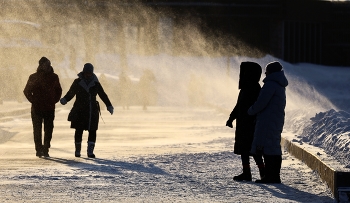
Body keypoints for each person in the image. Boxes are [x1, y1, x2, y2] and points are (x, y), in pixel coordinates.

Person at [59, 63, 113, 158]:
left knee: (92, 130)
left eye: (90, 73)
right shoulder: (77, 82)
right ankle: (78, 150)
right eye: (86, 73)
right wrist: (65, 99)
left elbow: (102, 95)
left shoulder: (96, 83)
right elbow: (71, 93)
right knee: (78, 130)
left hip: (92, 110)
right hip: (79, 109)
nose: (88, 74)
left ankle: (90, 151)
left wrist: (109, 105)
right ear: (83, 72)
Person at [248, 61, 288, 184]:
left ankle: (270, 177)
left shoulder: (270, 84)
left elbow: (261, 102)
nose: (265, 74)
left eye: (266, 71)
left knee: (267, 149)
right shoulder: (280, 84)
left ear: (270, 72)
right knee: (274, 147)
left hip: (267, 120)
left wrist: (250, 110)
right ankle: (275, 176)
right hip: (275, 119)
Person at [226, 61, 265, 181]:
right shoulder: (245, 89)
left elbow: (256, 106)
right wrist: (231, 118)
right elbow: (238, 106)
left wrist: (251, 118)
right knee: (243, 149)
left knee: (253, 150)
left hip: (251, 124)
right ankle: (246, 172)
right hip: (243, 123)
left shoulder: (254, 88)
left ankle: (263, 172)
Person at [23, 57, 62, 157]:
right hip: (37, 108)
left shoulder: (54, 77)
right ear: (41, 65)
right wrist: (34, 101)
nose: (48, 66)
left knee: (48, 129)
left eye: (49, 64)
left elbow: (58, 90)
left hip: (49, 107)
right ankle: (39, 149)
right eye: (46, 64)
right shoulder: (34, 77)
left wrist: (54, 100)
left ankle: (46, 148)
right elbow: (27, 91)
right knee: (37, 129)